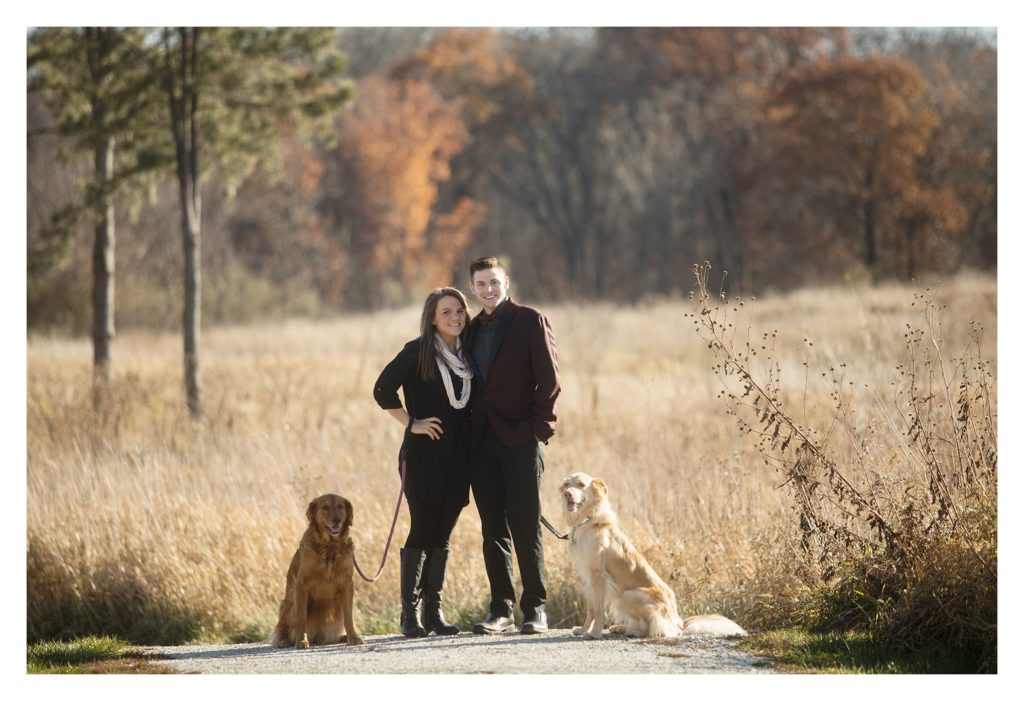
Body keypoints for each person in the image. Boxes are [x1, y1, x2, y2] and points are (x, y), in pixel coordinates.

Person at [464, 256, 561, 635]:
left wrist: (539, 430)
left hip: (521, 439)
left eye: (494, 282)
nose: (488, 289)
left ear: (506, 281)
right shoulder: (469, 330)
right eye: (481, 284)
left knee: (525, 526)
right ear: (473, 289)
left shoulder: (530, 320)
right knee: (493, 529)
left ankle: (535, 609)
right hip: (480, 444)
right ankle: (500, 610)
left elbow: (550, 380)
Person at [373, 287, 474, 638]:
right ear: (432, 318)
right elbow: (382, 389)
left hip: (459, 458)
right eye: (446, 312)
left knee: (442, 535)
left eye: (459, 310)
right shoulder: (418, 352)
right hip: (423, 457)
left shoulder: (469, 353)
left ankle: (435, 612)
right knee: (422, 529)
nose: (454, 317)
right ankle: (409, 615)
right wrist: (411, 423)